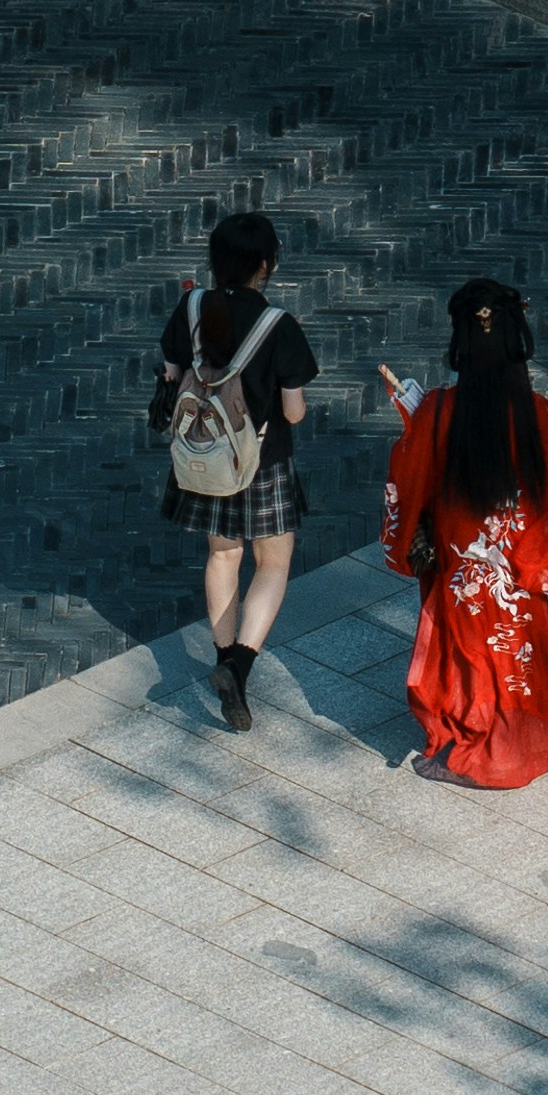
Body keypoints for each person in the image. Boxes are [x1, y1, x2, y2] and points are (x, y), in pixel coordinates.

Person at [376, 276, 548, 789]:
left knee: (475, 648)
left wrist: (414, 427)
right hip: (523, 548)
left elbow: (410, 472)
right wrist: (544, 547)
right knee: (519, 645)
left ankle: (485, 742)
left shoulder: (439, 409)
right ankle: (528, 737)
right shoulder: (534, 410)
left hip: (465, 551)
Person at [150, 210, 319, 732]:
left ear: (215, 262)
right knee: (272, 564)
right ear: (265, 266)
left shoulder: (193, 305)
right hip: (262, 463)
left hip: (205, 458)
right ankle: (238, 665)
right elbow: (292, 412)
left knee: (222, 555)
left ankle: (224, 656)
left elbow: (173, 373)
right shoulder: (278, 326)